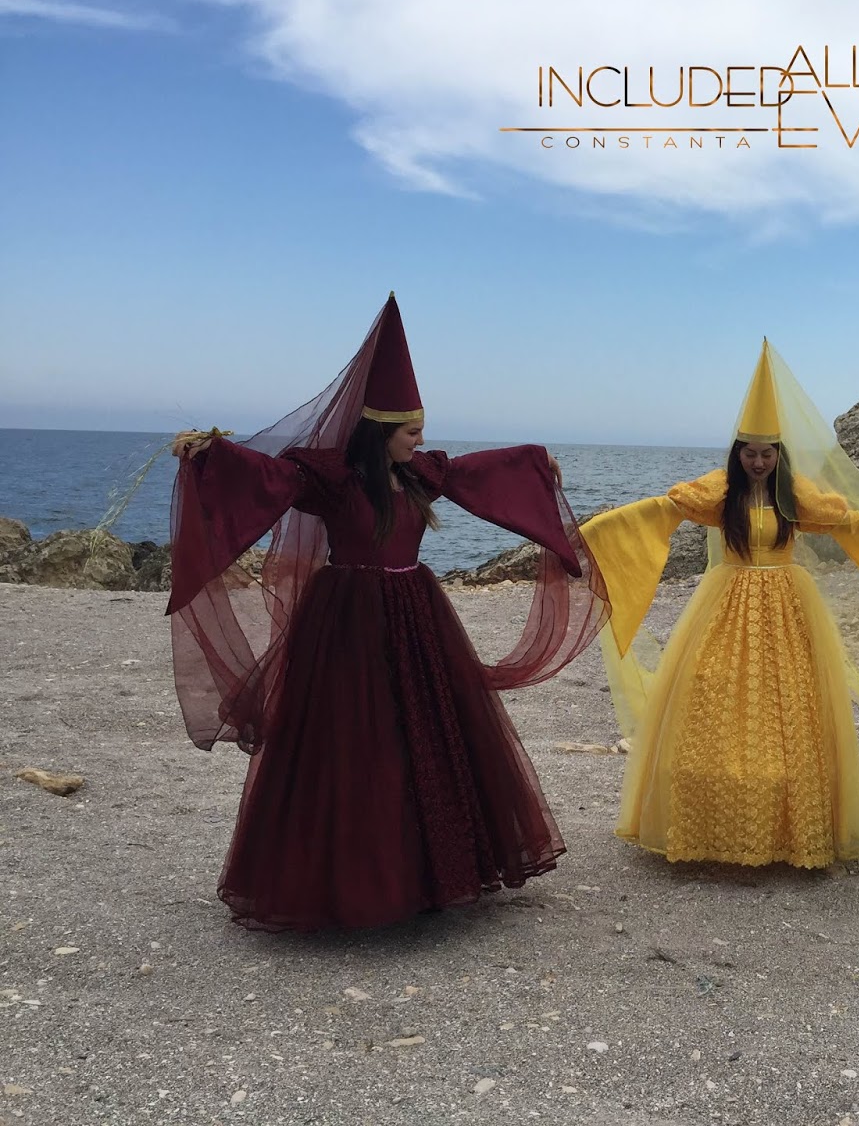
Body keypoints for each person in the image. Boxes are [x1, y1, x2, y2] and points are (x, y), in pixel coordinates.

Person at [165, 294, 607, 931]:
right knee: (349, 736)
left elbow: (483, 474)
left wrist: (538, 463)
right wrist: (210, 454)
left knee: (425, 732)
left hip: (413, 609)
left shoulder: (420, 475)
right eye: (411, 432)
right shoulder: (333, 479)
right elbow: (266, 478)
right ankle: (349, 880)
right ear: (380, 432)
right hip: (346, 617)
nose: (421, 441)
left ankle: (432, 874)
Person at [579, 339, 859, 869]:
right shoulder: (718, 492)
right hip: (726, 604)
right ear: (737, 453)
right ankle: (714, 817)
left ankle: (788, 822)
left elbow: (853, 525)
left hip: (787, 607)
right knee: (714, 693)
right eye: (749, 452)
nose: (757, 461)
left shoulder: (797, 495)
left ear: (779, 454)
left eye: (767, 453)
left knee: (790, 703)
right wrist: (593, 533)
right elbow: (657, 511)